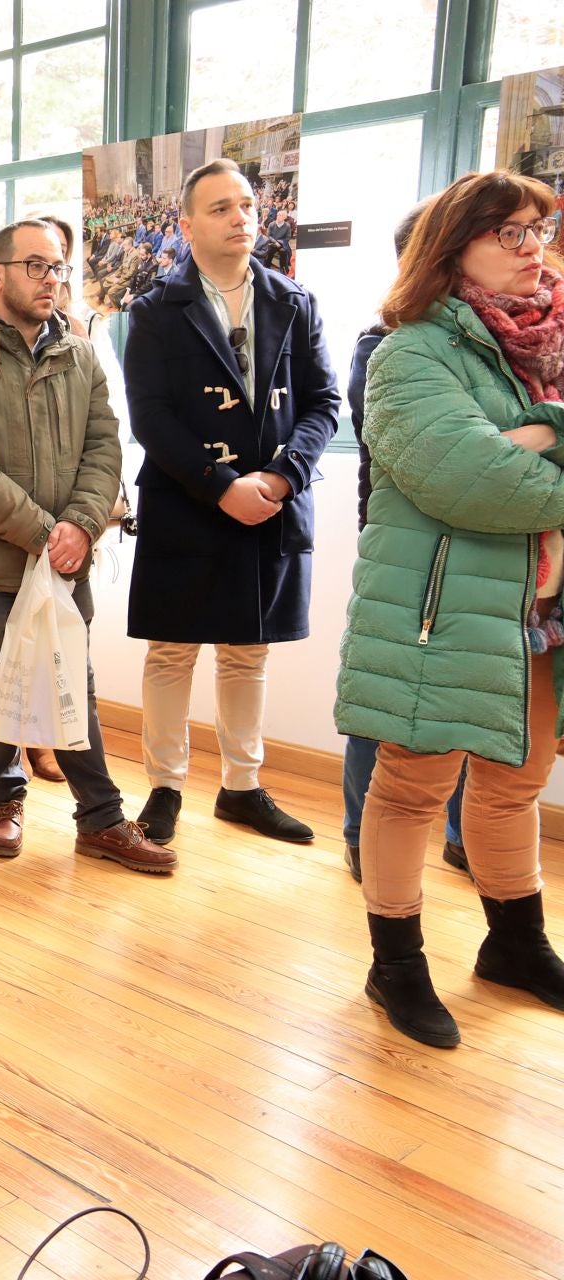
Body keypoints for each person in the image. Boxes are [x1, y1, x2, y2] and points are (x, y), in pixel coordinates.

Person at [337, 172, 564, 1049]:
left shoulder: (549, 342)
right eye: (507, 231)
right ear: (451, 242)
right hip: (439, 606)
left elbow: (515, 468)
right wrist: (532, 449)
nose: (531, 245)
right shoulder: (410, 352)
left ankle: (515, 945)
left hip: (539, 611)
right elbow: (472, 481)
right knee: (410, 790)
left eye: (538, 227)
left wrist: (544, 436)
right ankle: (395, 962)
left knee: (514, 788)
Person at [0, 219, 175, 874]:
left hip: (66, 555)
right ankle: (4, 799)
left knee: (72, 687)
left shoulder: (81, 356)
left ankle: (101, 819)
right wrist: (46, 533)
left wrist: (82, 526)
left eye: (59, 267)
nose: (52, 279)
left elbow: (104, 448)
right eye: (36, 266)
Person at [124, 158, 340, 849]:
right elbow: (150, 418)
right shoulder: (154, 311)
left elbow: (324, 404)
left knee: (249, 653)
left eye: (246, 204)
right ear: (186, 226)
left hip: (273, 503)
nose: (240, 217)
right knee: (172, 652)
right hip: (188, 502)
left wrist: (281, 479)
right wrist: (222, 487)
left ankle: (242, 788)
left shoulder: (293, 301)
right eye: (219, 208)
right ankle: (164, 786)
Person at [337, 201, 471, 885]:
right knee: (384, 700)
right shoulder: (383, 344)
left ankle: (462, 835)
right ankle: (364, 834)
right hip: (402, 550)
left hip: (477, 552)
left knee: (471, 692)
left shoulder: (487, 344)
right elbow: (441, 456)